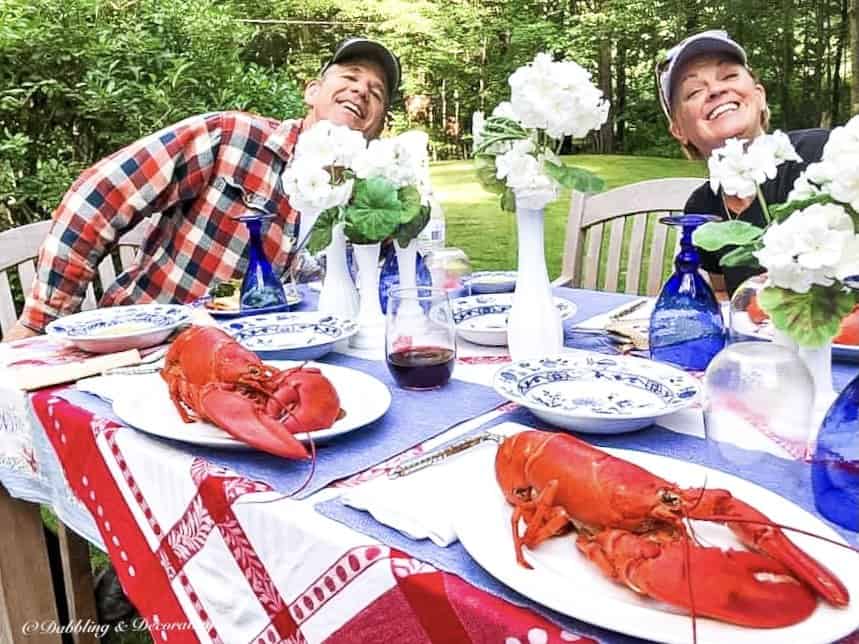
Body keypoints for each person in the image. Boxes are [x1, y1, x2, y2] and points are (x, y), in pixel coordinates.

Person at [4, 37, 401, 341]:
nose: (362, 91)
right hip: (150, 347)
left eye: (377, 92)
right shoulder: (231, 138)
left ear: (379, 123)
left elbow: (387, 289)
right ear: (312, 92)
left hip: (271, 366)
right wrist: (41, 322)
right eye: (349, 77)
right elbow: (100, 195)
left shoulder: (367, 198)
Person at [658, 29, 829, 298]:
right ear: (678, 129)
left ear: (759, 96)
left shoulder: (819, 154)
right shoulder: (702, 206)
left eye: (729, 76)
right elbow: (725, 294)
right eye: (693, 92)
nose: (715, 90)